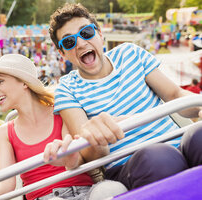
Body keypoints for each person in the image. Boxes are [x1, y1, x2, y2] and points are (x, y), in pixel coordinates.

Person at [48, 3, 202, 191]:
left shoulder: (130, 53)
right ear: (62, 53)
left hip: (177, 141)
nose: (80, 43)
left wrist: (199, 106)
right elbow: (91, 155)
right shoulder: (67, 89)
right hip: (132, 162)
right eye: (69, 42)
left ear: (99, 34)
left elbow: (175, 94)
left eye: (86, 32)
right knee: (159, 158)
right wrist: (98, 138)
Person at [0, 54, 95, 200]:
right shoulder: (5, 133)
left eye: (0, 81)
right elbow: (5, 184)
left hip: (83, 191)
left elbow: (75, 162)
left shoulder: (61, 110)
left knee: (110, 189)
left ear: (24, 83)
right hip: (44, 197)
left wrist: (69, 159)